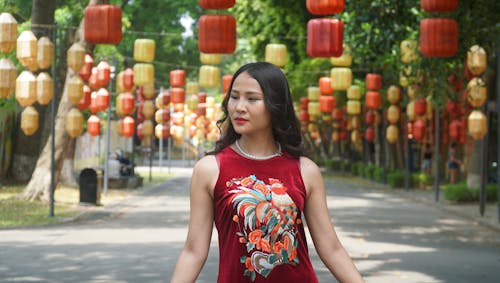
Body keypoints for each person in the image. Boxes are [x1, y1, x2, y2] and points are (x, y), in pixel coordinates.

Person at [171, 62, 364, 283]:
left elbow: (331, 249)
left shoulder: (305, 170)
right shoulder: (210, 169)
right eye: (234, 97)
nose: (239, 107)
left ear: (275, 106)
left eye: (252, 99)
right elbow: (194, 251)